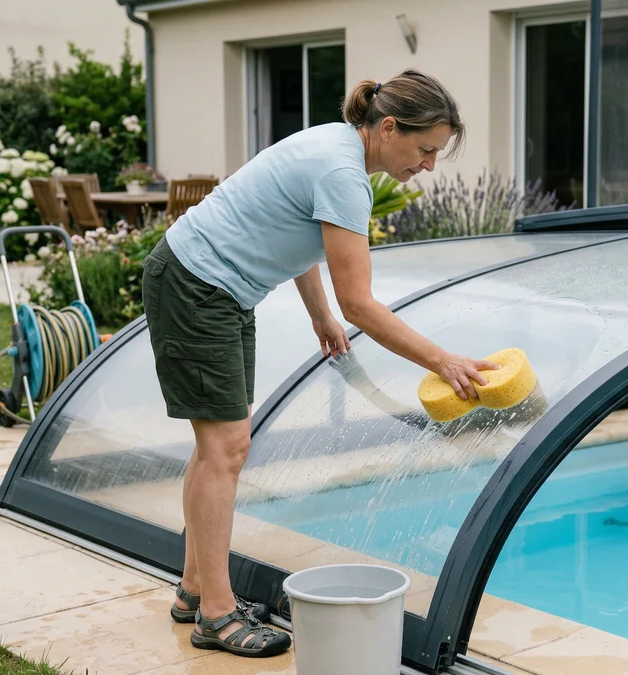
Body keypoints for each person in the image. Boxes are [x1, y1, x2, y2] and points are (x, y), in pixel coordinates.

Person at [140, 68, 500, 659]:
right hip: (198, 287)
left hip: (217, 289)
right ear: (389, 127)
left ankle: (195, 590)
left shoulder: (337, 148)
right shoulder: (343, 174)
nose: (430, 166)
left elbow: (296, 234)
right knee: (225, 448)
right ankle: (215, 615)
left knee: (217, 446)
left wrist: (319, 316)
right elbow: (361, 302)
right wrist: (443, 360)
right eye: (426, 150)